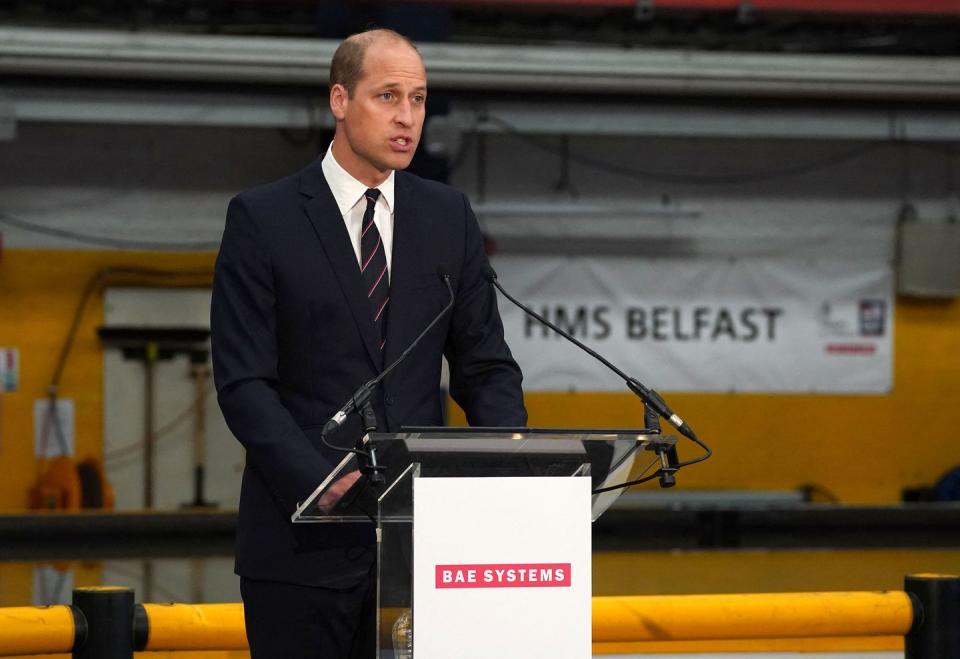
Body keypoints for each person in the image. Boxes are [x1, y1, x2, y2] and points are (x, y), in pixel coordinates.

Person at [210, 28, 527, 659]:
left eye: (418, 99)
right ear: (339, 100)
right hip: (300, 554)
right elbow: (244, 383)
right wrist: (320, 481)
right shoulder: (263, 218)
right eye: (387, 96)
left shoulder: (447, 217)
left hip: (422, 555)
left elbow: (485, 367)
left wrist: (516, 471)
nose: (407, 117)